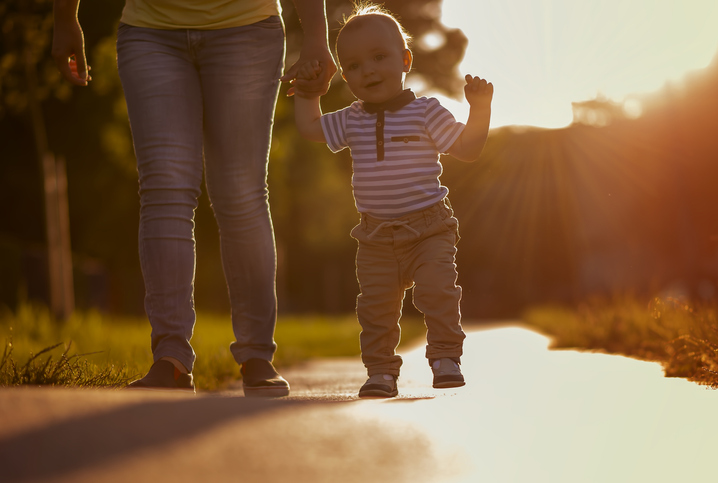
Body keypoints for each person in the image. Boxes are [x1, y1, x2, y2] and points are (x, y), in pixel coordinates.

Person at [52, 0, 336, 396]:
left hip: (247, 27)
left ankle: (257, 354)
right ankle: (170, 358)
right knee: (164, 190)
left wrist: (317, 36)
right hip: (150, 28)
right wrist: (65, 17)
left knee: (241, 191)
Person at [293, 4, 493, 398]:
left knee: (438, 290)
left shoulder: (426, 112)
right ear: (345, 75)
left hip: (429, 228)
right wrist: (306, 91)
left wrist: (480, 110)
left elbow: (468, 149)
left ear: (405, 60)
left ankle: (445, 357)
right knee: (376, 309)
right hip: (375, 237)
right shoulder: (351, 118)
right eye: (352, 65)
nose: (366, 70)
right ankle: (381, 372)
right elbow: (309, 127)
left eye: (379, 58)